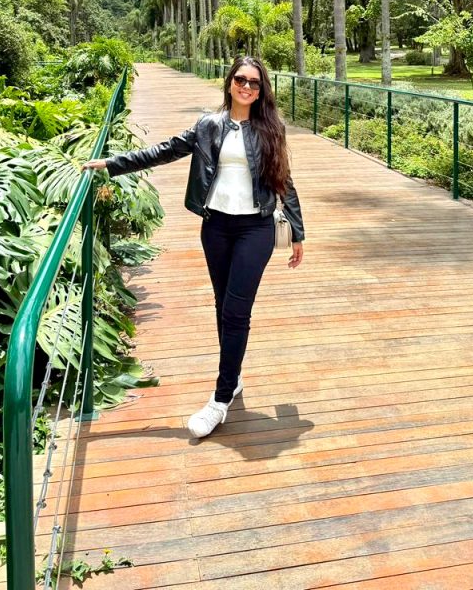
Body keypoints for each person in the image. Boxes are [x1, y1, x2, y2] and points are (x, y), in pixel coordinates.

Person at [82, 56, 305, 439]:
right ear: (230, 82)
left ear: (261, 89)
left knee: (236, 311)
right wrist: (112, 165)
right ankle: (233, 375)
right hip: (216, 226)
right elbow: (164, 151)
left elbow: (283, 179)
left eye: (254, 82)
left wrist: (297, 232)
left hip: (256, 229)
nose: (246, 87)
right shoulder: (208, 125)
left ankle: (220, 398)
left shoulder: (270, 128)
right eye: (241, 79)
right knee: (222, 305)